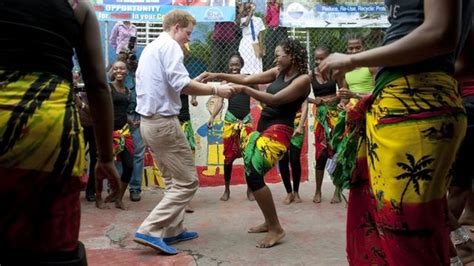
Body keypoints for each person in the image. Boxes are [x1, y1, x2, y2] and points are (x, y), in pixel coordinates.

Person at [319, 1, 473, 264]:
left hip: (411, 110)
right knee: (415, 222)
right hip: (413, 104)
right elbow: (465, 61)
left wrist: (353, 59)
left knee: (403, 230)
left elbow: (440, 33)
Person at [0, 0, 120, 264]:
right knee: (54, 248)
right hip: (50, 132)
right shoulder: (78, 7)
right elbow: (98, 85)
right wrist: (106, 157)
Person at [133, 10, 234, 255]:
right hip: (164, 124)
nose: (188, 39)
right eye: (188, 33)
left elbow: (172, 84)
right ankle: (149, 229)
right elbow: (182, 85)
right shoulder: (171, 46)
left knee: (172, 181)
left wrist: (196, 82)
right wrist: (215, 90)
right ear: (176, 27)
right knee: (188, 182)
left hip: (149, 123)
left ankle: (174, 230)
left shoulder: (153, 47)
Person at [202, 38, 311, 248]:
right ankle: (270, 222)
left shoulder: (303, 80)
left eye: (279, 54)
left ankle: (276, 229)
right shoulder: (278, 71)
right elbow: (247, 77)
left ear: (292, 56)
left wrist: (245, 90)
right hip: (263, 128)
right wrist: (218, 75)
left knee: (253, 173)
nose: (276, 58)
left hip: (279, 132)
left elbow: (276, 99)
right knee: (253, 175)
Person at [207, 53, 255, 201]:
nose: (234, 67)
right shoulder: (225, 82)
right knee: (228, 158)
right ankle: (227, 190)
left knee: (249, 157)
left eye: (236, 64)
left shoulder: (248, 80)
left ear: (241, 65)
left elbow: (259, 97)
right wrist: (212, 117)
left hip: (246, 122)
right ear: (229, 66)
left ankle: (250, 190)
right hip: (230, 122)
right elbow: (220, 102)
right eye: (232, 64)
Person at [308, 45, 342, 204]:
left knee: (337, 152)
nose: (319, 61)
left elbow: (344, 94)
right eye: (317, 58)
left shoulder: (336, 72)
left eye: (322, 58)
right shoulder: (310, 75)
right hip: (320, 119)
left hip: (336, 117)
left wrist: (334, 99)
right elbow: (300, 94)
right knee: (320, 154)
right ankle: (318, 191)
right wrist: (316, 100)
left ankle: (337, 191)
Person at [107, 60, 134, 210]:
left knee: (129, 166)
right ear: (112, 70)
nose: (119, 71)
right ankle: (106, 193)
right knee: (108, 166)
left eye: (122, 68)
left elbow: (123, 112)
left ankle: (119, 198)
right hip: (109, 132)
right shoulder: (108, 88)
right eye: (116, 68)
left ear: (126, 71)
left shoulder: (128, 91)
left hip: (124, 132)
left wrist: (131, 122)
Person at [74, 71, 98, 202]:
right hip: (78, 128)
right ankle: (75, 189)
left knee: (95, 158)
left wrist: (81, 104)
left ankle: (91, 191)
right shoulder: (73, 91)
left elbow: (95, 112)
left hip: (94, 128)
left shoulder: (95, 91)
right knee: (76, 158)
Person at [278, 100, 308, 204]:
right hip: (282, 124)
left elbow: (305, 105)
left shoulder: (301, 85)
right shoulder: (280, 85)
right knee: (282, 159)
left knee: (295, 159)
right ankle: (289, 192)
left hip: (297, 124)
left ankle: (296, 192)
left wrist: (300, 126)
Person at [337, 35, 376, 109]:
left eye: (358, 48)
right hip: (353, 110)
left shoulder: (371, 66)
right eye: (351, 48)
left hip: (370, 109)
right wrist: (342, 103)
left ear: (364, 48)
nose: (354, 51)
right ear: (347, 49)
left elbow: (376, 94)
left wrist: (355, 95)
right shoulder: (345, 70)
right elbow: (345, 97)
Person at [126, 53, 145, 202]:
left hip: (140, 118)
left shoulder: (144, 76)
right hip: (123, 119)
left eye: (135, 60)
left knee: (138, 154)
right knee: (120, 153)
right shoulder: (120, 74)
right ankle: (115, 186)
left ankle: (135, 188)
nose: (133, 62)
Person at [238, 2, 265, 74]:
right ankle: (244, 75)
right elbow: (246, 24)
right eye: (246, 8)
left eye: (249, 8)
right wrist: (251, 12)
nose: (248, 10)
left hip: (255, 41)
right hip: (246, 41)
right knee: (245, 59)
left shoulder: (259, 20)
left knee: (255, 60)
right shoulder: (242, 19)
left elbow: (261, 36)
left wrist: (261, 49)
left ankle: (255, 76)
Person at [263, 0, 287, 71]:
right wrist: (268, 7)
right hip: (271, 29)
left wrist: (280, 7)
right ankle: (270, 72)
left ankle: (282, 71)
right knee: (270, 52)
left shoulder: (284, 4)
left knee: (282, 51)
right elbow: (267, 20)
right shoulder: (270, 4)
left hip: (281, 29)